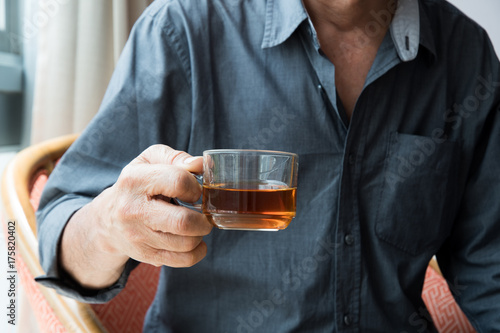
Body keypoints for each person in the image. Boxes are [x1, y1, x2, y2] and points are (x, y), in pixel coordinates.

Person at [36, 0, 500, 331]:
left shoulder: (466, 55)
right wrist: (106, 227)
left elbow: (489, 264)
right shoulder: (182, 28)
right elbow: (58, 233)